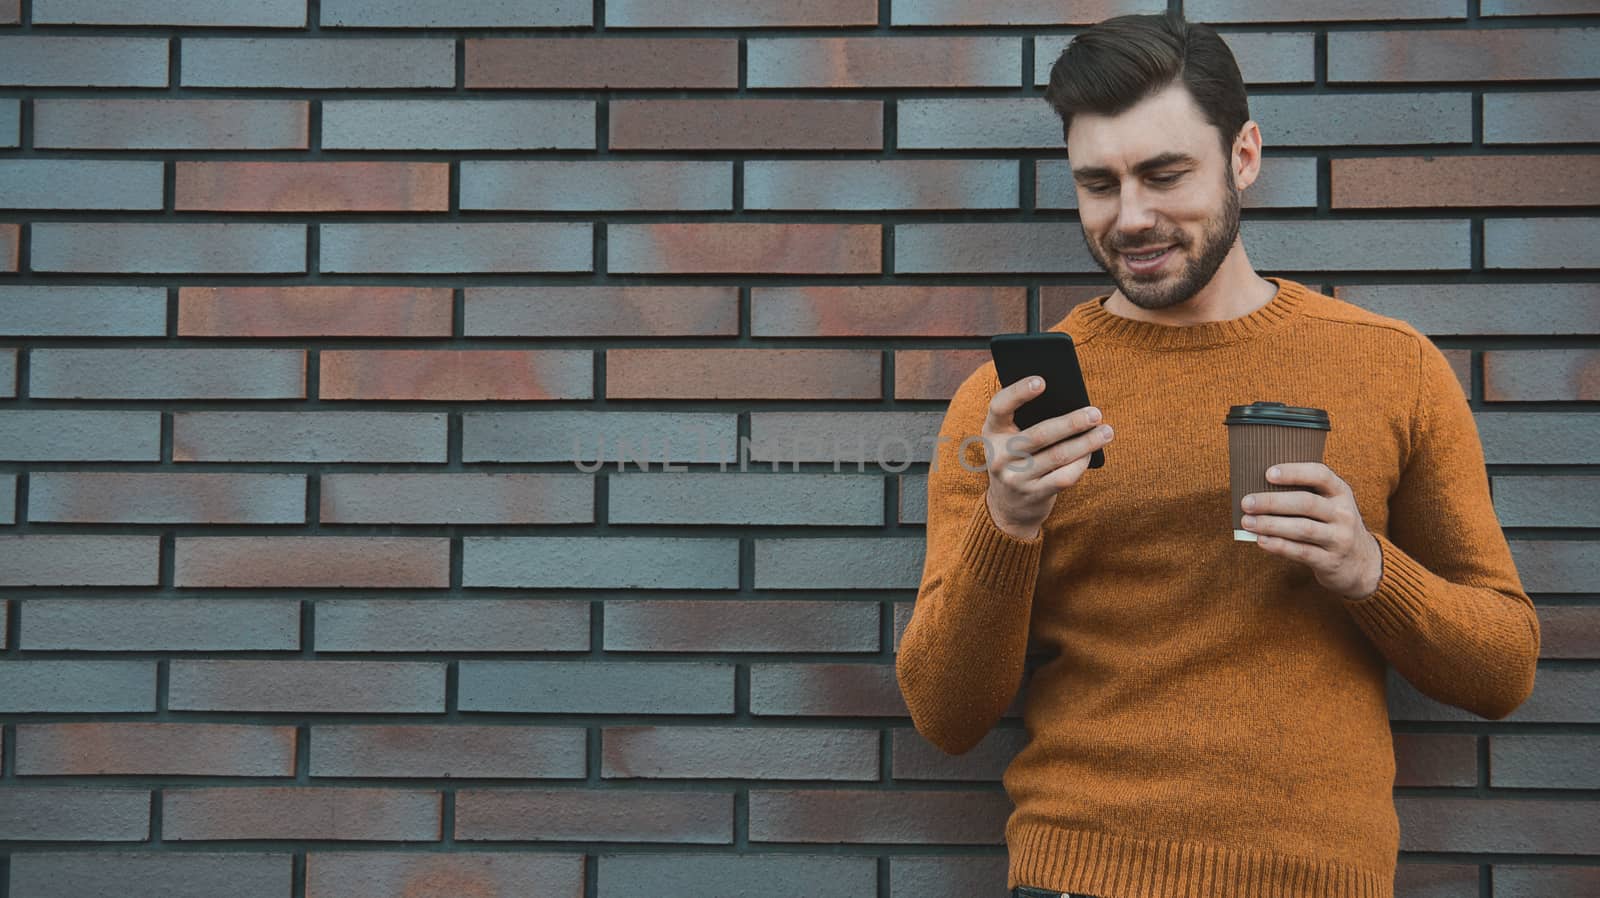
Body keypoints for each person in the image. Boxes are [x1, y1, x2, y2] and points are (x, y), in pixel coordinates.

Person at [894, 12, 1539, 898]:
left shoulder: (1393, 367)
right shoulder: (1010, 408)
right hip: (1081, 874)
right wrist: (1008, 524)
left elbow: (1505, 668)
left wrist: (1368, 570)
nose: (1131, 218)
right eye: (1098, 184)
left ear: (1244, 156)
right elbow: (944, 713)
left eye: (1164, 175)